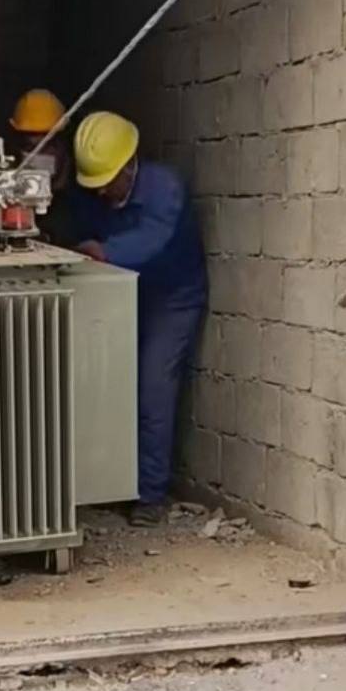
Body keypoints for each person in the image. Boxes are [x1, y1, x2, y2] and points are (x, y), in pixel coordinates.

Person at [72, 111, 207, 527]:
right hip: (120, 293)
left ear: (130, 164)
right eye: (93, 184)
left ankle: (150, 495)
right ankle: (109, 482)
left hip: (171, 301)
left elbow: (152, 240)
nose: (100, 192)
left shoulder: (166, 188)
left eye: (107, 182)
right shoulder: (97, 192)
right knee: (105, 387)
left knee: (153, 391)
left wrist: (103, 252)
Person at [7, 89, 73, 246]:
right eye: (29, 147)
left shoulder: (80, 207)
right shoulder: (8, 205)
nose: (38, 155)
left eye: (47, 145)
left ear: (62, 145)